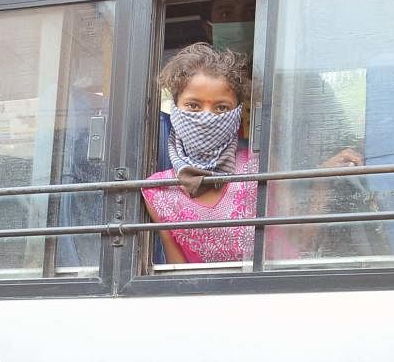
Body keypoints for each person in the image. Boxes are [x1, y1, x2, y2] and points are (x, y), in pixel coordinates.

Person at [142, 42, 358, 264]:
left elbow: (302, 239)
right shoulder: (157, 191)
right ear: (175, 109)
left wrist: (321, 180)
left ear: (237, 114)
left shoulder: (260, 166)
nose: (207, 118)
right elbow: (177, 273)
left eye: (221, 108)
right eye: (194, 106)